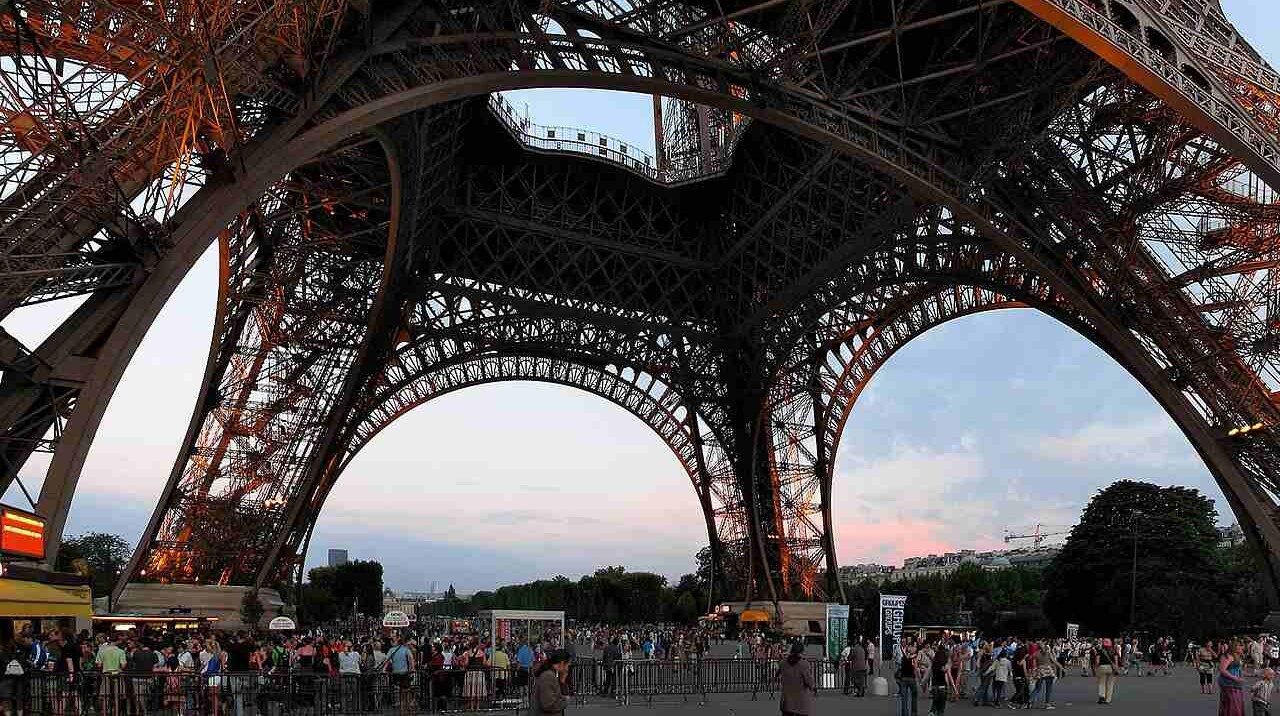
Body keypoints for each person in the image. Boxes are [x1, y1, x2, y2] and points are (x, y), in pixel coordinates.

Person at [527, 650, 569, 716]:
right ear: (562, 663)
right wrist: (565, 701)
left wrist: (562, 681)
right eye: (567, 665)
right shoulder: (548, 676)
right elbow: (548, 704)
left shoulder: (550, 674)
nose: (568, 668)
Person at [778, 642, 814, 716]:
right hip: (800, 702)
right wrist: (812, 687)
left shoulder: (783, 662)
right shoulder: (804, 664)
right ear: (801, 652)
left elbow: (777, 675)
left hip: (787, 701)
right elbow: (809, 682)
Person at [385, 634, 415, 716]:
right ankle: (407, 709)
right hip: (405, 674)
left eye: (392, 640)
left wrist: (384, 671)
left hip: (396, 674)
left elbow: (386, 661)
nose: (391, 641)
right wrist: (412, 670)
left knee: (399, 694)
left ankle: (402, 711)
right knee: (405, 692)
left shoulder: (391, 650)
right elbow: (411, 659)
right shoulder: (405, 649)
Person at [1223, 641, 1249, 716]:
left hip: (1236, 684)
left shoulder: (1237, 656)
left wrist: (1250, 674)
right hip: (1229, 684)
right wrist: (1235, 678)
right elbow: (1222, 670)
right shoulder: (1229, 656)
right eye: (1240, 646)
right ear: (1235, 647)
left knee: (1237, 704)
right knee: (1234, 705)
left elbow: (1238, 670)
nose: (1242, 648)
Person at [896, 643, 919, 716]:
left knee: (904, 698)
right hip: (911, 678)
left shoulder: (903, 658)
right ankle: (913, 713)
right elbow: (915, 669)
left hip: (903, 679)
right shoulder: (914, 658)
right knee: (914, 696)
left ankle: (905, 713)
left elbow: (900, 667)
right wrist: (919, 679)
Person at [1093, 638, 1118, 705]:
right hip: (1111, 668)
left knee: (1101, 683)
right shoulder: (1113, 651)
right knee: (1110, 684)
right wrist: (1116, 667)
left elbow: (1097, 661)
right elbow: (1116, 660)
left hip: (1102, 667)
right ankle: (1108, 699)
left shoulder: (1100, 650)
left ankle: (1102, 697)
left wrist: (1096, 667)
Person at [928, 645, 949, 715]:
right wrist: (954, 689)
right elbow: (948, 677)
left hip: (934, 686)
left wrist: (923, 683)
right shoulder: (945, 664)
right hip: (942, 686)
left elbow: (928, 675)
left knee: (935, 701)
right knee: (941, 707)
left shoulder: (934, 664)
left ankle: (932, 712)